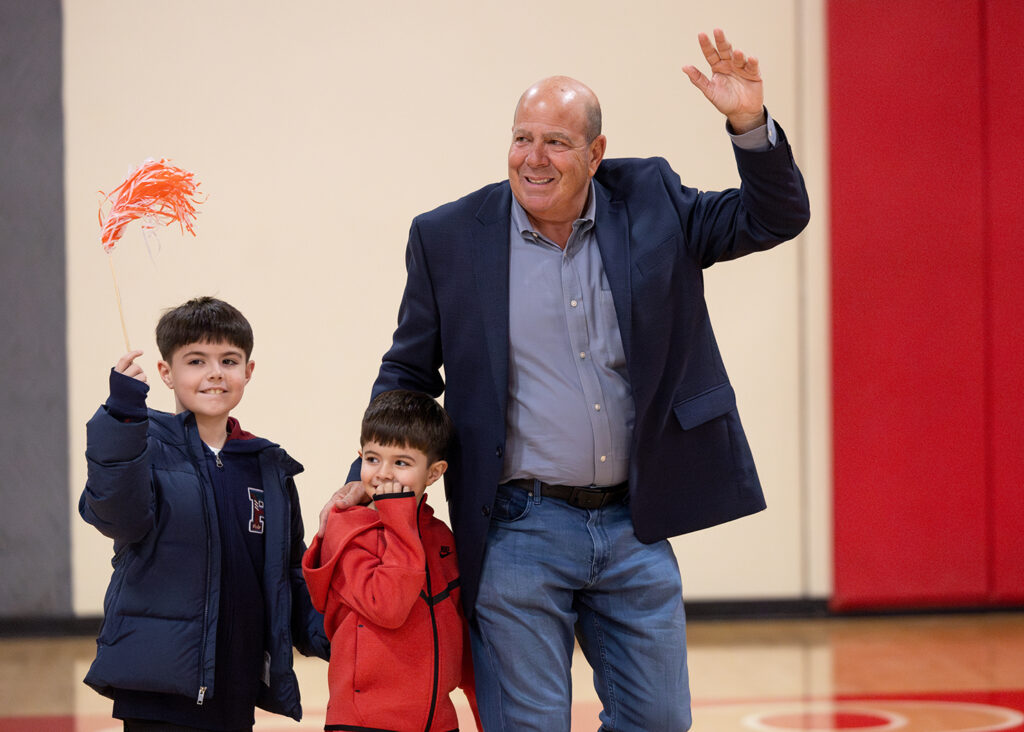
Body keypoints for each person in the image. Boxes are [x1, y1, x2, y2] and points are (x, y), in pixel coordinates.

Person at [323, 28, 810, 731]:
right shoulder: (449, 237)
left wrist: (748, 123)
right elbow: (407, 370)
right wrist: (374, 476)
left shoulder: (651, 200)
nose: (534, 157)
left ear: (595, 154)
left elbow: (775, 217)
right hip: (519, 526)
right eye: (523, 138)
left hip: (635, 522)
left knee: (660, 722)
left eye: (556, 141)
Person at [80, 296, 329, 731]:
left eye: (229, 360)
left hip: (236, 686)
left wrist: (335, 635)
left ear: (248, 372)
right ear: (166, 373)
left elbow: (288, 572)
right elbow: (116, 516)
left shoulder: (269, 466)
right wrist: (120, 419)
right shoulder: (143, 447)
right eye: (196, 360)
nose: (215, 373)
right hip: (158, 691)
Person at [303, 389, 481, 731]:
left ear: (434, 472)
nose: (383, 473)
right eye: (372, 459)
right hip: (364, 723)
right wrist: (399, 517)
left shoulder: (441, 538)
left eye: (401, 462)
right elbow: (388, 605)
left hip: (438, 722)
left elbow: (464, 640)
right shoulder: (349, 531)